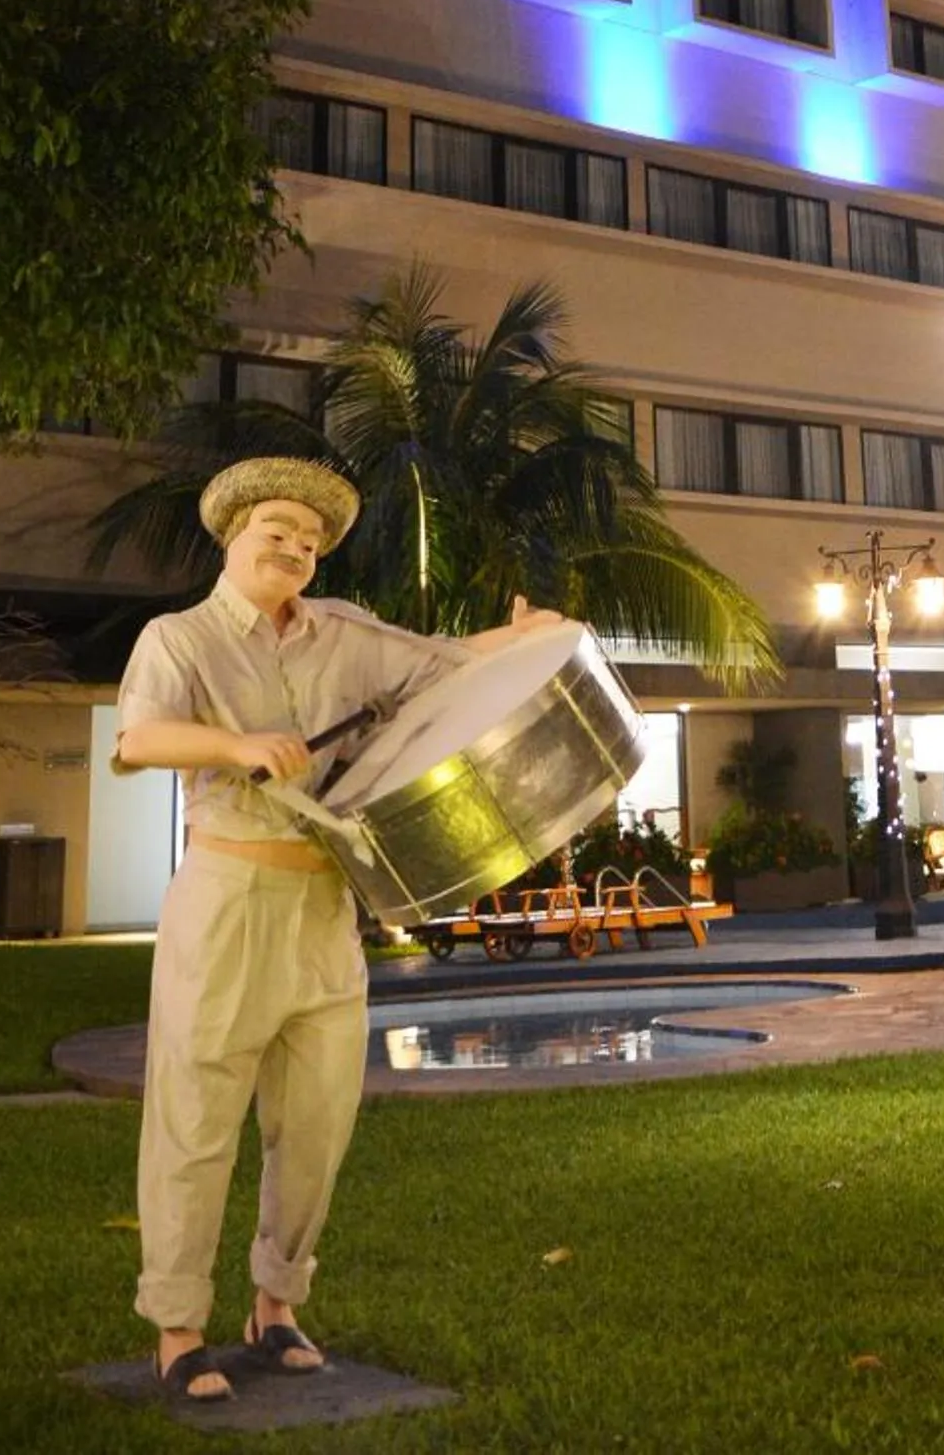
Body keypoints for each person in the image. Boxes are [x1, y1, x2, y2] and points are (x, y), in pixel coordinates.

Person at [113, 453, 558, 1401]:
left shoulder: (346, 636)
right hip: (228, 896)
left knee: (316, 1125)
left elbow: (445, 665)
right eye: (277, 529)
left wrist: (526, 639)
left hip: (324, 906)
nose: (295, 548)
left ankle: (274, 1308)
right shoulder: (178, 636)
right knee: (195, 1119)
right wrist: (234, 745)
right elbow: (140, 737)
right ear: (234, 533)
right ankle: (178, 1326)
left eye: (311, 540)